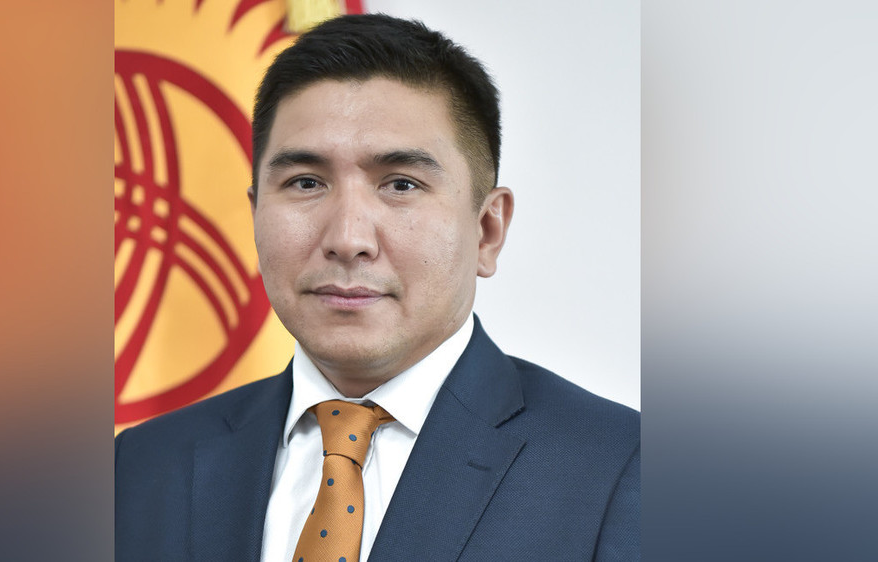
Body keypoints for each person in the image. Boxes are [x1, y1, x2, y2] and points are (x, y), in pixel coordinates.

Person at [115, 14, 639, 561]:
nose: (348, 239)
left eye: (401, 184)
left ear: (487, 230)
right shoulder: (140, 466)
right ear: (256, 214)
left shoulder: (622, 471)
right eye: (305, 182)